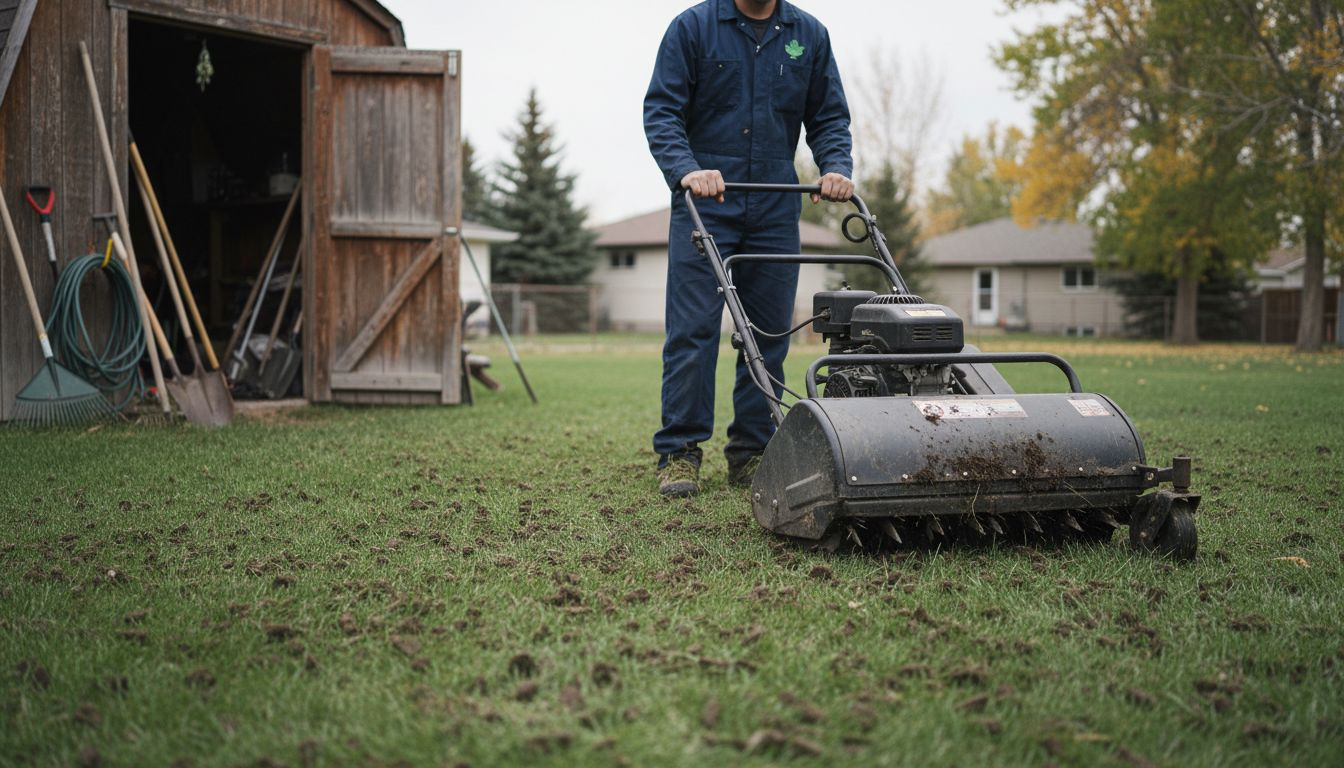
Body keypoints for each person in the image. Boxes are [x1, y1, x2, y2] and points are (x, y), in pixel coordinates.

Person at [644, 0, 854, 497]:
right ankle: (680, 451)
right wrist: (686, 169)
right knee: (693, 331)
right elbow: (662, 111)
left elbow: (827, 117)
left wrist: (835, 165)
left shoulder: (809, 34)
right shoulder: (693, 28)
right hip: (706, 202)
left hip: (776, 204)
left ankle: (753, 450)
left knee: (768, 333)